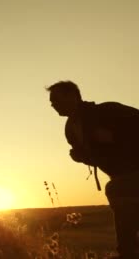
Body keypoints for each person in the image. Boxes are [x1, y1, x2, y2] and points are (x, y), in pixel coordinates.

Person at [47, 80, 139, 258]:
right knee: (123, 199)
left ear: (72, 96)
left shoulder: (107, 111)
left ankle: (127, 251)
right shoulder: (70, 130)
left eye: (56, 99)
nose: (52, 105)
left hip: (133, 172)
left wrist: (116, 137)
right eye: (51, 102)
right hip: (121, 176)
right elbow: (99, 155)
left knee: (116, 191)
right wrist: (82, 158)